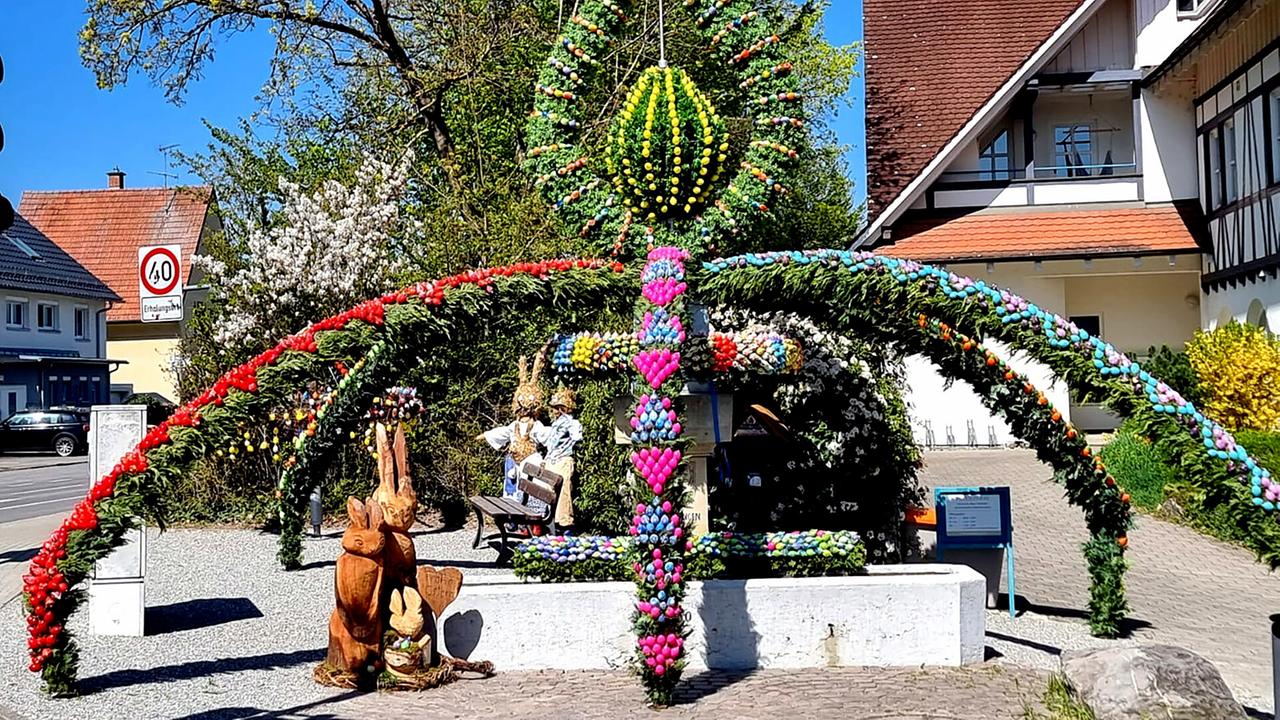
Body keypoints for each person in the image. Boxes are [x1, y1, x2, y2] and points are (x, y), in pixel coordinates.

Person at [476, 354, 549, 518]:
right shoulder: (514, 426)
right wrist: (486, 435)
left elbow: (546, 435)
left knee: (528, 488)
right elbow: (501, 432)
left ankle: (528, 517)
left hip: (530, 460)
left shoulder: (535, 426)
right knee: (511, 486)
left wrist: (559, 436)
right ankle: (512, 517)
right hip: (513, 463)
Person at [534, 386, 583, 531]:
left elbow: (577, 437)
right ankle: (546, 520)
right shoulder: (556, 424)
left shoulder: (571, 422)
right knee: (548, 490)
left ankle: (565, 523)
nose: (554, 410)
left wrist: (572, 439)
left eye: (557, 407)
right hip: (552, 460)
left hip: (563, 460)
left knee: (564, 492)